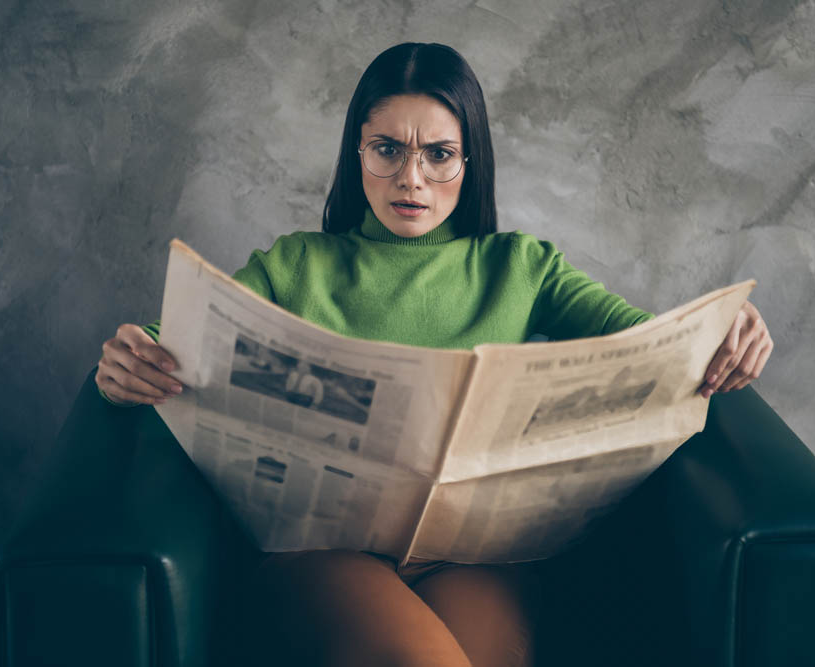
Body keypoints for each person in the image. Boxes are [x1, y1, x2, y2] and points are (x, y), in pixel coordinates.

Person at [95, 42, 773, 667]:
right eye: (386, 149)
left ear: (468, 160)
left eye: (439, 154)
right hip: (325, 553)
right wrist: (127, 360)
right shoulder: (298, 263)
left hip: (475, 561)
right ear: (355, 154)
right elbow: (172, 340)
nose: (410, 178)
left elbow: (654, 345)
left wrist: (731, 333)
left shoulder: (523, 266)